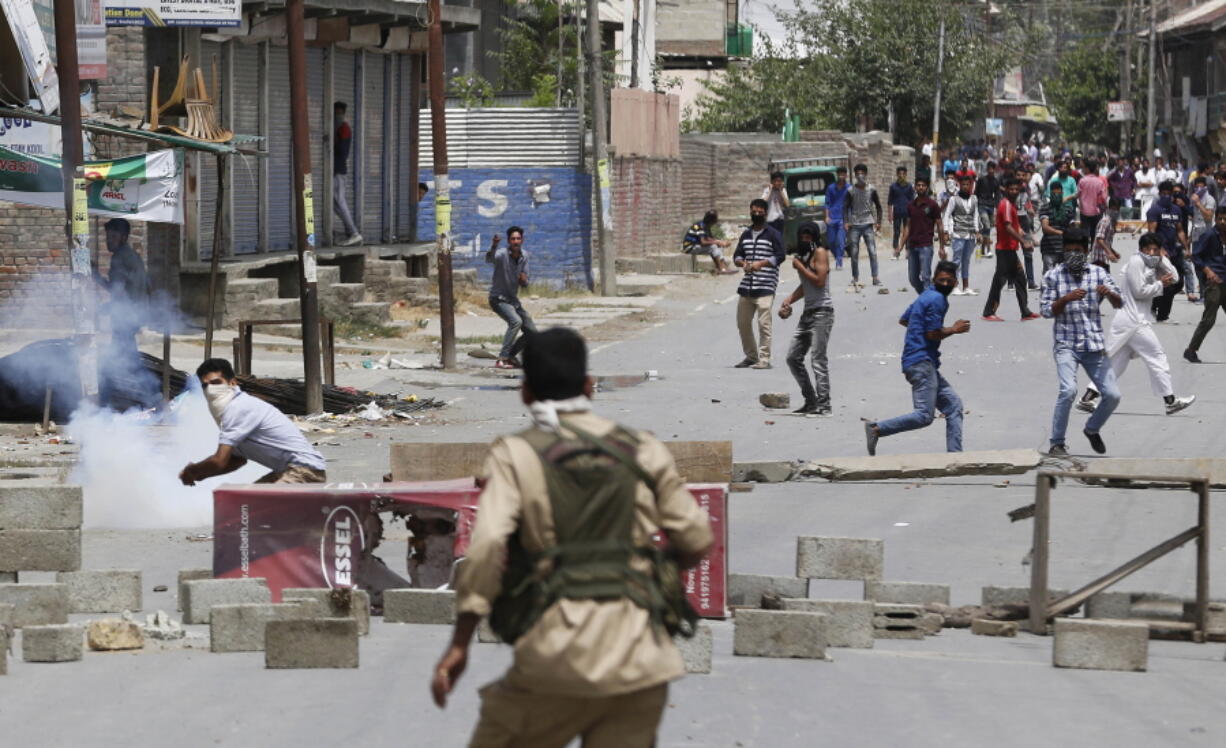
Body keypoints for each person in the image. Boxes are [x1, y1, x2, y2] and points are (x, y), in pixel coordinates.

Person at [430, 328, 713, 747]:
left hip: (554, 657)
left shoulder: (515, 454)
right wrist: (654, 572)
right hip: (639, 660)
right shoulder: (642, 449)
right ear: (589, 386)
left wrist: (460, 643)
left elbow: (486, 547)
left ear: (525, 394)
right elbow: (696, 539)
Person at [1077, 232, 1195, 416]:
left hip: (1133, 321)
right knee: (1157, 356)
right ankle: (1170, 401)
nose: (1152, 252)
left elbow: (1175, 278)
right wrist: (1159, 284)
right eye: (1148, 249)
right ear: (1141, 250)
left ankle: (1088, 397)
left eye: (1156, 249)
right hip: (1133, 321)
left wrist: (1161, 259)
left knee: (1116, 364)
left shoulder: (1152, 263)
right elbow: (1139, 291)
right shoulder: (1135, 263)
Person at [864, 261, 968, 456]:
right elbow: (932, 334)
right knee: (924, 416)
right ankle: (877, 429)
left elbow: (905, 319)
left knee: (953, 405)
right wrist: (954, 329)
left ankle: (955, 456)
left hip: (922, 362)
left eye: (949, 281)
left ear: (955, 282)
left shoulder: (926, 295)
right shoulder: (937, 299)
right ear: (934, 279)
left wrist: (917, 332)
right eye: (941, 280)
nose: (945, 284)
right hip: (921, 363)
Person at [1040, 228, 1124, 457]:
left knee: (1113, 395)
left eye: (1078, 251)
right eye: (1069, 251)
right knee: (1068, 390)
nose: (1073, 255)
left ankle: (1092, 428)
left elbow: (1119, 302)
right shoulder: (1053, 275)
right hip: (1066, 343)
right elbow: (1046, 310)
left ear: (1086, 251)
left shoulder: (1098, 273)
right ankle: (1057, 442)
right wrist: (1065, 299)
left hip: (1093, 344)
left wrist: (1109, 294)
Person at [180, 358, 327, 485]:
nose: (210, 389)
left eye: (216, 383)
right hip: (289, 470)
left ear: (232, 383)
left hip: (304, 470)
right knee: (242, 508)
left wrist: (192, 471)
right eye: (205, 385)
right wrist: (199, 474)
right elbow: (236, 461)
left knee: (253, 508)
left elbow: (220, 461)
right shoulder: (229, 412)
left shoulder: (238, 408)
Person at [779, 222, 834, 416]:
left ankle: (825, 405)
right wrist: (788, 300)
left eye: (809, 237)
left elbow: (819, 281)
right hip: (808, 313)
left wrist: (800, 267)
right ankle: (811, 401)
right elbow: (806, 285)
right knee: (793, 358)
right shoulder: (802, 257)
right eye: (803, 237)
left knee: (818, 359)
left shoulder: (820, 252)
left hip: (822, 312)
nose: (805, 240)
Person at [733, 198, 785, 369]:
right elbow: (737, 256)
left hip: (766, 285)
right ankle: (751, 356)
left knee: (764, 324)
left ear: (765, 214)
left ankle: (764, 359)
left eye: (759, 212)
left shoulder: (773, 234)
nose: (756, 215)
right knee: (742, 323)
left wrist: (761, 264)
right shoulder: (746, 234)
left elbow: (780, 255)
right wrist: (744, 264)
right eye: (753, 211)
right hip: (747, 286)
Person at [982, 178, 1038, 321]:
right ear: (1005, 190)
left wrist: (1028, 238)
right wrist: (1023, 243)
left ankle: (1025, 312)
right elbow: (1008, 227)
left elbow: (1017, 227)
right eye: (1011, 189)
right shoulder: (1006, 205)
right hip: (1005, 250)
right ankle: (989, 312)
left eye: (1016, 189)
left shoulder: (1011, 205)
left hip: (1009, 250)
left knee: (1020, 279)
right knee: (1000, 282)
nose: (1014, 192)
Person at [92, 217, 148, 356]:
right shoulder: (132, 255)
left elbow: (117, 290)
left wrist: (96, 276)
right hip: (136, 313)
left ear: (124, 237)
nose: (108, 240)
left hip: (127, 315)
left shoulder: (120, 257)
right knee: (126, 354)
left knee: (122, 357)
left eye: (113, 236)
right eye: (107, 236)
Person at [487, 226, 538, 369]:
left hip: (512, 300)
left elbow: (525, 283)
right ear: (509, 241)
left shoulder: (525, 256)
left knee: (532, 332)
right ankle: (502, 358)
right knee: (516, 321)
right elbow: (490, 258)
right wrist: (494, 245)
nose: (516, 241)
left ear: (522, 240)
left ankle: (510, 356)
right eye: (513, 239)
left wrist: (524, 280)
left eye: (518, 239)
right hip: (498, 298)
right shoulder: (502, 254)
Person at [1185, 205, 1226, 363]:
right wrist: (1208, 271)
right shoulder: (1209, 235)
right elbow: (1196, 255)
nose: (1222, 221)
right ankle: (1191, 350)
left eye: (1225, 218)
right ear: (1216, 219)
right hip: (1213, 282)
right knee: (1209, 319)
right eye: (1220, 218)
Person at [1147, 181, 1191, 322]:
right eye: (1164, 194)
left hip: (1174, 251)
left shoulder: (1176, 210)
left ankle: (1155, 305)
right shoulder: (1155, 210)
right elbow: (1151, 232)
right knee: (1167, 284)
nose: (1166, 196)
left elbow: (1180, 230)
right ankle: (1162, 315)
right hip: (1160, 254)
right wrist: (1159, 250)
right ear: (1160, 194)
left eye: (1169, 194)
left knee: (1178, 283)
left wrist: (1186, 247)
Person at [896, 175, 945, 294]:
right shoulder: (911, 206)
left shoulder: (932, 205)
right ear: (915, 188)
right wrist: (900, 245)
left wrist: (942, 247)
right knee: (913, 279)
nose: (921, 187)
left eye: (923, 185)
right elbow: (907, 226)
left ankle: (926, 303)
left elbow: (940, 225)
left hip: (926, 246)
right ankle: (925, 297)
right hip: (912, 246)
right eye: (918, 185)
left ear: (927, 187)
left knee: (926, 277)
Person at [844, 163, 883, 287]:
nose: (860, 175)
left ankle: (875, 277)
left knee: (872, 251)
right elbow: (845, 207)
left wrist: (878, 221)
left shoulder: (871, 189)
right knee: (854, 253)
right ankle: (855, 278)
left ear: (866, 174)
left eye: (862, 172)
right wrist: (845, 221)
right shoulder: (850, 191)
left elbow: (878, 206)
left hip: (868, 223)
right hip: (855, 224)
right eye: (858, 173)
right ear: (855, 175)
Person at [942, 174, 979, 296]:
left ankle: (966, 286)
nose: (965, 187)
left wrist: (977, 231)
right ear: (959, 185)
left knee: (966, 261)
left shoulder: (974, 199)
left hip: (970, 235)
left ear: (970, 186)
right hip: (958, 234)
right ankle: (954, 286)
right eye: (963, 185)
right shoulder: (954, 199)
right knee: (956, 261)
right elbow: (946, 215)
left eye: (968, 185)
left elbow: (975, 216)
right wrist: (946, 231)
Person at [332, 101, 363, 247]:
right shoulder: (337, 128)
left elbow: (342, 152)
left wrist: (333, 142)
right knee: (335, 203)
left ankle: (353, 233)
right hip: (334, 169)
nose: (337, 115)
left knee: (339, 201)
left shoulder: (343, 129)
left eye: (339, 113)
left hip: (338, 170)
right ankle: (347, 232)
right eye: (336, 113)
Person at [1039, 181, 1076, 274]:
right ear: (1050, 193)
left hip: (1065, 247)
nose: (1057, 195)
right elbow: (1045, 227)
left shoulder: (1068, 209)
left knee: (1065, 275)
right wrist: (1060, 232)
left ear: (1062, 193)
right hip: (1049, 248)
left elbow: (1072, 227)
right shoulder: (1045, 208)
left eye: (1059, 193)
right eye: (1054, 193)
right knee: (1049, 275)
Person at [824, 166, 850, 270]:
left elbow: (851, 205)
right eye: (840, 174)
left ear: (846, 175)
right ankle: (837, 256)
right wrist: (826, 216)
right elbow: (827, 203)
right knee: (831, 242)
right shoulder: (831, 188)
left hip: (843, 218)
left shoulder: (849, 188)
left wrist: (849, 220)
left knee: (840, 240)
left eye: (843, 174)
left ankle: (839, 261)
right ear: (837, 175)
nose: (841, 176)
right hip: (831, 217)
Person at [973, 162, 999, 259]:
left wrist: (997, 208)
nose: (991, 170)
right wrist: (975, 205)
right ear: (987, 170)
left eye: (992, 169)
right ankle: (988, 250)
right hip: (982, 205)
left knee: (987, 229)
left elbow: (997, 195)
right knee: (987, 226)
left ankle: (982, 250)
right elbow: (976, 193)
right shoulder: (981, 180)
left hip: (991, 206)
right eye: (989, 169)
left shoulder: (996, 181)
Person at [1077, 159, 1108, 238]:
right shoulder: (1099, 182)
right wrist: (1105, 206)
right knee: (1095, 232)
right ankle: (1093, 249)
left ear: (1087, 169)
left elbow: (1078, 194)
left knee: (1084, 232)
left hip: (1084, 211)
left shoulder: (1082, 181)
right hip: (1096, 211)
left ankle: (1085, 249)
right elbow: (1103, 197)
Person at [888, 166, 915, 254]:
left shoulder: (909, 186)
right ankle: (896, 249)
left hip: (907, 212)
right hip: (897, 212)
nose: (901, 175)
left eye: (903, 174)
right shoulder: (893, 187)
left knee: (907, 231)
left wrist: (913, 213)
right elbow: (890, 201)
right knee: (896, 231)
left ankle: (907, 249)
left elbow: (912, 200)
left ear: (906, 175)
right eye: (899, 174)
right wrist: (890, 214)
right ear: (897, 174)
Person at [1091, 198, 1123, 271]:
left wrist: (1113, 252)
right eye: (1114, 209)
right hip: (1098, 259)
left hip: (1104, 259)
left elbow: (1106, 242)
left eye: (1117, 209)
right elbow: (1099, 239)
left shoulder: (1111, 221)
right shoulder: (1105, 221)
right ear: (1109, 208)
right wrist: (1109, 253)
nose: (1116, 211)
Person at [762, 171, 790, 235]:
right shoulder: (767, 190)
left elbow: (787, 204)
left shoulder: (783, 191)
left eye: (780, 181)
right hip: (769, 220)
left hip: (780, 219)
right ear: (772, 182)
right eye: (776, 181)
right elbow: (763, 202)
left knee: (779, 238)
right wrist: (770, 191)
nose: (778, 183)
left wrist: (780, 191)